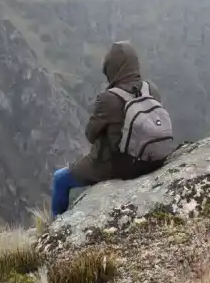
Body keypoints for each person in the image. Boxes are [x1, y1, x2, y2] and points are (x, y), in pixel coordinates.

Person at [51, 41, 174, 218]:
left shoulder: (108, 98)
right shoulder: (151, 89)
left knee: (60, 179)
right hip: (153, 159)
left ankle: (55, 226)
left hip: (118, 166)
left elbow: (90, 134)